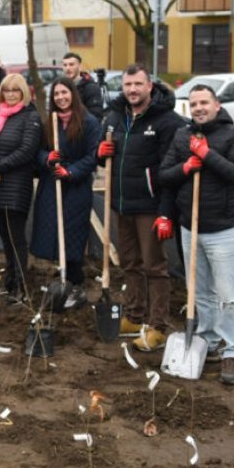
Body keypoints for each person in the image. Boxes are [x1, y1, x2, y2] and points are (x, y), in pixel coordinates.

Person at [158, 84, 234, 385]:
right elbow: (164, 176)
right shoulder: (182, 136)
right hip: (191, 227)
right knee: (199, 291)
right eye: (194, 103)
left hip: (224, 229)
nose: (198, 108)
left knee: (228, 295)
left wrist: (206, 154)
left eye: (204, 103)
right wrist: (187, 165)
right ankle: (208, 339)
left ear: (217, 105)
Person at [97, 64, 185, 352]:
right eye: (127, 85)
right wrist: (100, 153)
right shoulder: (115, 117)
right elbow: (105, 156)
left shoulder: (167, 122)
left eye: (137, 84)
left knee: (155, 267)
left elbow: (170, 171)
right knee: (130, 263)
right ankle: (134, 316)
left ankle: (158, 326)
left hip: (150, 206)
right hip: (122, 203)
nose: (132, 90)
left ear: (150, 86)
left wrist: (165, 212)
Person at [29, 77, 101, 309]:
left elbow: (93, 156)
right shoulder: (49, 122)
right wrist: (47, 159)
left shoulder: (88, 122)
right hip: (52, 186)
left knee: (73, 236)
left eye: (65, 93)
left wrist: (71, 171)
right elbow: (38, 151)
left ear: (73, 94)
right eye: (57, 94)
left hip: (76, 187)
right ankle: (64, 281)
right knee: (54, 235)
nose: (61, 97)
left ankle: (76, 285)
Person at [0, 72, 43, 301]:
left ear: (23, 92)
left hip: (16, 187)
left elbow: (26, 150)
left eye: (16, 90)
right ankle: (10, 280)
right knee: (5, 239)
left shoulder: (30, 116)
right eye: (7, 90)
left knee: (16, 239)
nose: (11, 94)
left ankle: (21, 287)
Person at [61, 52, 106, 120]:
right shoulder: (60, 87)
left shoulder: (91, 88)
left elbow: (96, 116)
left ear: (79, 67)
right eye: (65, 65)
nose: (68, 68)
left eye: (71, 64)